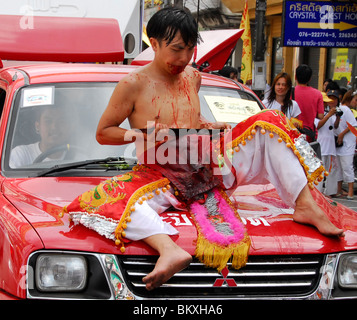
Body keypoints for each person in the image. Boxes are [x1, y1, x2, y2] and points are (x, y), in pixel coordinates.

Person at [64, 7, 344, 291]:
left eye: (189, 50)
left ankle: (305, 205)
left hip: (209, 165)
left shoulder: (192, 77)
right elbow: (103, 132)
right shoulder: (132, 85)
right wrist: (140, 134)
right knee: (98, 199)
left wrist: (209, 125)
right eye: (175, 49)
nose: (183, 59)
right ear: (155, 43)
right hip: (159, 173)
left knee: (268, 121)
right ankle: (168, 248)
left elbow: (189, 119)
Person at [329, 90, 357, 199]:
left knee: (344, 166)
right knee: (343, 166)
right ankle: (341, 189)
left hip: (345, 142)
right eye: (355, 100)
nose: (356, 102)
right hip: (343, 143)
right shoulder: (344, 109)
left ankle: (347, 190)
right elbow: (353, 125)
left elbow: (353, 126)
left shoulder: (344, 110)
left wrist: (341, 134)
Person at [314, 92, 338, 196]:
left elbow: (335, 126)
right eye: (323, 103)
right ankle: (318, 193)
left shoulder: (329, 113)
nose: (325, 105)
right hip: (321, 147)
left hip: (330, 147)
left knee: (332, 170)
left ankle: (330, 192)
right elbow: (318, 126)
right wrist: (328, 115)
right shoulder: (315, 114)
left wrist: (337, 117)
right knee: (319, 171)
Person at [294, 64, 324, 142]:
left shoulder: (290, 93)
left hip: (294, 133)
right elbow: (321, 116)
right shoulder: (318, 94)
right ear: (310, 79)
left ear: (295, 77)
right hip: (310, 134)